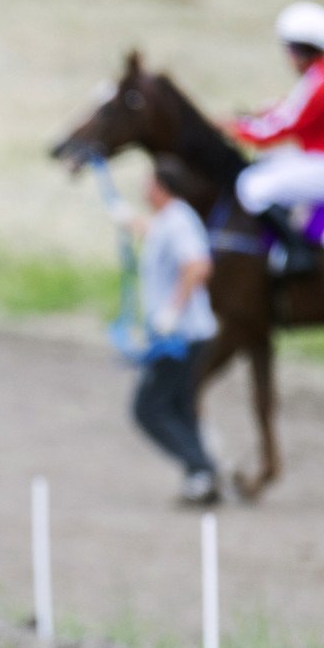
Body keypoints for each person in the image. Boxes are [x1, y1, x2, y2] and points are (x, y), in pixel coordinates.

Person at [229, 1, 324, 276]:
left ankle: (297, 252)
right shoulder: (322, 77)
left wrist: (234, 129)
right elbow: (286, 114)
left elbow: (277, 131)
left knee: (251, 187)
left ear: (296, 50)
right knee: (266, 166)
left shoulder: (321, 84)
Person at [130, 162, 220, 505]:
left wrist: (172, 310)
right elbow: (158, 234)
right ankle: (202, 476)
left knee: (148, 408)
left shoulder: (180, 220)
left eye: (147, 183)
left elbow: (198, 265)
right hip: (184, 334)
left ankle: (201, 468)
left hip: (182, 336)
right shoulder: (170, 220)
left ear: (161, 188)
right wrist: (131, 223)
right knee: (181, 407)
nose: (143, 190)